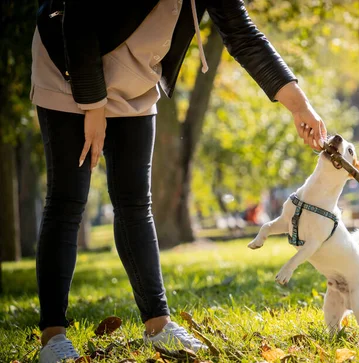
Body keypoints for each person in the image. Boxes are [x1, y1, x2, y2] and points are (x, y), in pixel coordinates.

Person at [31, 1, 327, 362]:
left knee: (136, 203)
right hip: (70, 65)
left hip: (135, 78)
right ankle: (53, 339)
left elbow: (242, 33)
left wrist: (299, 104)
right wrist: (93, 106)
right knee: (67, 201)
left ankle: (158, 326)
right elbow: (79, 16)